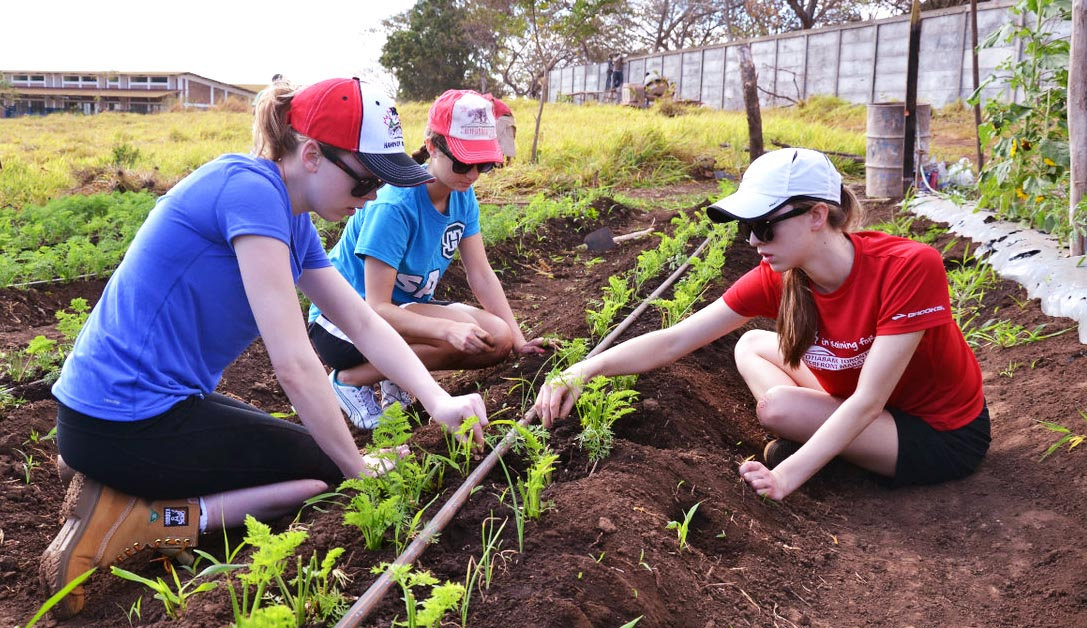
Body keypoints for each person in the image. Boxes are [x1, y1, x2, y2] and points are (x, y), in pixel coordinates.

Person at [40, 77, 489, 618]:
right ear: (315, 155)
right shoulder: (251, 193)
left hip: (117, 413)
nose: (371, 197)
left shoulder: (287, 213)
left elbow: (363, 324)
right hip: (125, 421)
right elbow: (296, 365)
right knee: (320, 475)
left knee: (306, 454)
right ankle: (153, 519)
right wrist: (356, 469)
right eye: (366, 181)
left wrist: (439, 402)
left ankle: (109, 474)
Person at [534, 148, 989, 501]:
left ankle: (820, 452)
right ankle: (827, 444)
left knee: (779, 411)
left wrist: (784, 476)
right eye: (746, 227)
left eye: (764, 226)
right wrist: (581, 370)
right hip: (861, 404)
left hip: (936, 433)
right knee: (750, 342)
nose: (753, 240)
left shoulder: (909, 267)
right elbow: (676, 339)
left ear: (816, 215)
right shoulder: (783, 277)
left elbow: (870, 401)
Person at [309, 89, 546, 430]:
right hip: (344, 325)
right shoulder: (395, 205)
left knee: (497, 340)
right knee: (463, 336)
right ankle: (350, 380)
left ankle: (395, 379)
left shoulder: (462, 197)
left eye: (484, 164)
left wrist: (521, 341)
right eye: (464, 162)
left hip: (404, 311)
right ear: (433, 147)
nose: (473, 174)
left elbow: (480, 274)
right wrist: (447, 329)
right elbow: (377, 308)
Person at [485, 93, 516, 165]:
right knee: (507, 140)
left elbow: (490, 109)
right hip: (509, 118)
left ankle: (497, 163)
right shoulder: (492, 100)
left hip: (503, 118)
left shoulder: (488, 100)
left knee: (495, 139)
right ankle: (507, 163)